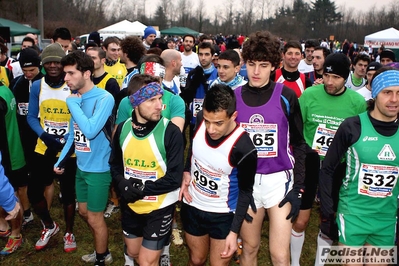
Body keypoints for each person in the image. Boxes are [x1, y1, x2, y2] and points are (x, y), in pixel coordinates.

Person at [234, 31, 306, 265]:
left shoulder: (286, 95)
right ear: (244, 63)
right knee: (249, 249)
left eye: (263, 65)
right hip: (247, 183)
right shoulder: (233, 97)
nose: (256, 72)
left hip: (278, 182)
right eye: (252, 64)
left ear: (274, 65)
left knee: (279, 254)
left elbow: (299, 144)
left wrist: (299, 189)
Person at [291, 53, 367, 266]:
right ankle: (294, 263)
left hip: (338, 167)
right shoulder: (309, 95)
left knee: (329, 220)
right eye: (326, 75)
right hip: (309, 163)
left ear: (346, 78)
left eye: (336, 77)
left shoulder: (357, 103)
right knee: (301, 219)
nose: (330, 82)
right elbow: (296, 130)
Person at [319, 67, 399, 266]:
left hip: (387, 217)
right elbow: (328, 168)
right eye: (387, 92)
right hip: (353, 213)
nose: (394, 99)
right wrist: (328, 212)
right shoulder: (352, 126)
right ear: (375, 94)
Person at [109, 74, 184, 266]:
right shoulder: (123, 129)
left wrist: (142, 189)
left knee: (146, 262)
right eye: (152, 100)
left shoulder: (171, 132)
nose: (159, 105)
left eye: (160, 98)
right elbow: (115, 164)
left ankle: (161, 249)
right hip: (131, 204)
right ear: (135, 103)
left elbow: (175, 178)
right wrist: (122, 184)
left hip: (160, 206)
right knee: (134, 252)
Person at [180, 84, 257, 265]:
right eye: (208, 121)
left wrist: (234, 232)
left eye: (218, 123)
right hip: (193, 205)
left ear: (233, 116)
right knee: (196, 260)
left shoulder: (244, 148)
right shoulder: (200, 119)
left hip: (223, 214)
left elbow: (246, 192)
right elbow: (193, 147)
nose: (211, 129)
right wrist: (186, 171)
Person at [53, 51, 114, 265]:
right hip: (81, 167)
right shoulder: (76, 98)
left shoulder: (104, 98)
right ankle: (103, 251)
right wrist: (60, 160)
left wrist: (72, 105)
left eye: (70, 73)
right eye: (65, 73)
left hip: (99, 170)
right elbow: (73, 133)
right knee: (84, 212)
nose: (65, 78)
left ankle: (101, 258)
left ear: (86, 73)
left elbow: (90, 130)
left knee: (95, 218)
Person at [27, 43, 77, 252]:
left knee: (67, 194)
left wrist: (67, 139)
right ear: (44, 64)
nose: (54, 65)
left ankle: (69, 232)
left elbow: (79, 118)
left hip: (68, 149)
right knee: (33, 193)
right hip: (44, 147)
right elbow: (31, 116)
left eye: (57, 61)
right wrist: (44, 135)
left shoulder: (72, 85)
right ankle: (49, 225)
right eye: (49, 62)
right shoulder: (37, 86)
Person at [10, 47, 43, 228]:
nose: (29, 74)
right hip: (22, 137)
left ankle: (42, 208)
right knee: (23, 178)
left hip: (40, 136)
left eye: (32, 70)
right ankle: (27, 210)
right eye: (25, 70)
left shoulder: (45, 82)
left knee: (40, 177)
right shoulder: (17, 84)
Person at [0, 81, 25, 255]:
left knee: (12, 198)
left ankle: (16, 234)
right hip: (10, 150)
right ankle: (4, 225)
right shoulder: (4, 88)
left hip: (7, 155)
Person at [181, 42, 218, 139]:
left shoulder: (217, 74)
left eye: (206, 54)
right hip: (195, 117)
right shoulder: (193, 73)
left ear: (212, 56)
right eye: (201, 54)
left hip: (212, 117)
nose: (203, 58)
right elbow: (187, 96)